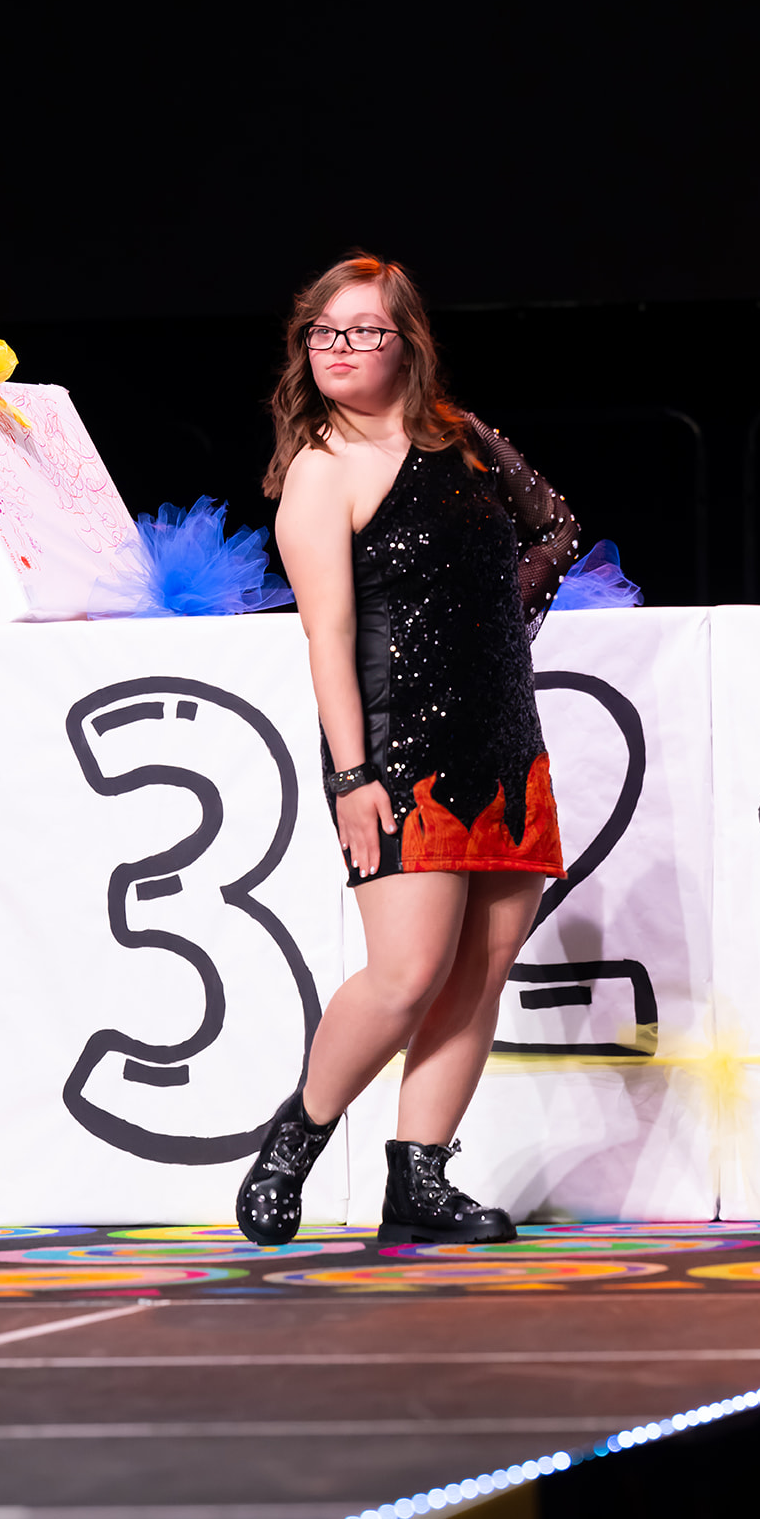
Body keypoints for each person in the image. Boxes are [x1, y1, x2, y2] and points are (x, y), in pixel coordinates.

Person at [236, 253, 579, 1246]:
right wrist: (350, 776)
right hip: (397, 750)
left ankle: (417, 1179)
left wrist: (492, 615)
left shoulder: (463, 442)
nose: (341, 348)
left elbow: (556, 526)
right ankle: (294, 1137)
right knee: (407, 972)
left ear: (406, 343)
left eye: (364, 330)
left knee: (482, 964)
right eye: (324, 332)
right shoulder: (319, 470)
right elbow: (327, 638)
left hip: (502, 740)